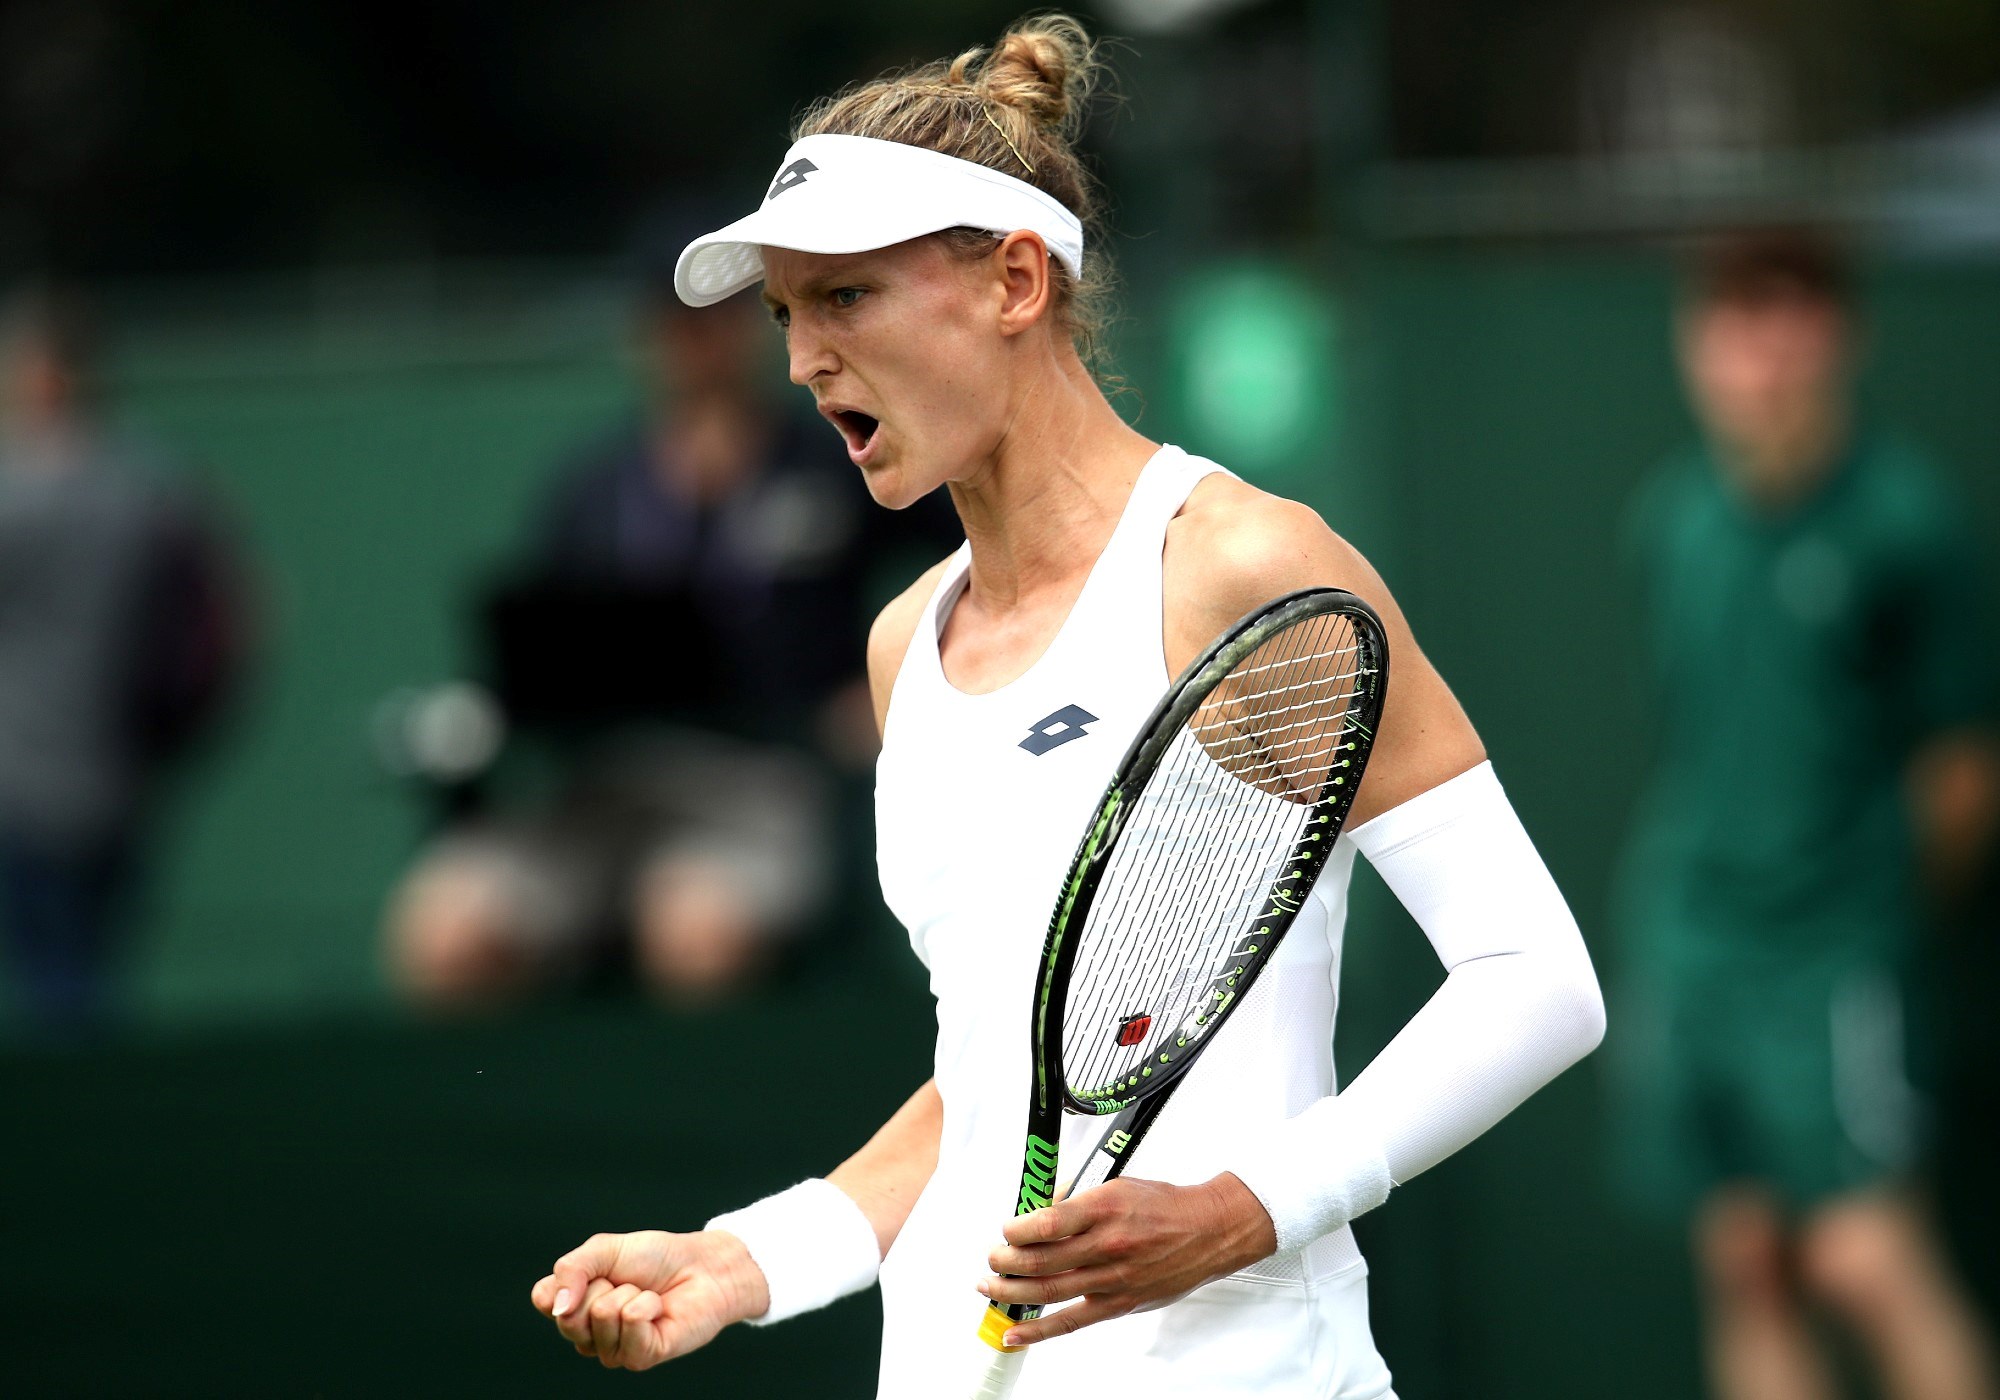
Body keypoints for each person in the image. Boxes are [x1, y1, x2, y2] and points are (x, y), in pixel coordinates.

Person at [528, 16, 1605, 1396]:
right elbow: (988, 1090)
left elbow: (1536, 982)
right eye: (784, 312)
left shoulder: (1246, 570)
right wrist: (752, 1261)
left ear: (1017, 282)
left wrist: (1241, 1210)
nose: (802, 361)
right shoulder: (899, 647)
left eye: (845, 297)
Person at [1613, 230, 2000, 1400]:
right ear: (1696, 348)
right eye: (1730, 322)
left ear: (1834, 336)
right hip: (1693, 942)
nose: (1757, 354)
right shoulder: (1670, 521)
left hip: (1831, 953)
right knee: (1745, 1260)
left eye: (1784, 319)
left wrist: (1863, 916)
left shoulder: (1906, 525)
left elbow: (1961, 775)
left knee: (1861, 1255)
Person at [386, 262, 948, 1009]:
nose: (697, 340)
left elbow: (965, 559)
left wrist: (887, 692)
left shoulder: (832, 457)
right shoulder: (594, 485)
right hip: (599, 787)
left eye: (716, 318)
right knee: (445, 932)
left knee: (691, 927)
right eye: (676, 320)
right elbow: (536, 647)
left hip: (762, 784)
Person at [0, 282, 246, 1036]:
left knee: (66, 996)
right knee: (83, 982)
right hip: (120, 782)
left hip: (32, 787)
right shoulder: (157, 489)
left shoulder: (28, 496)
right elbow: (234, 620)